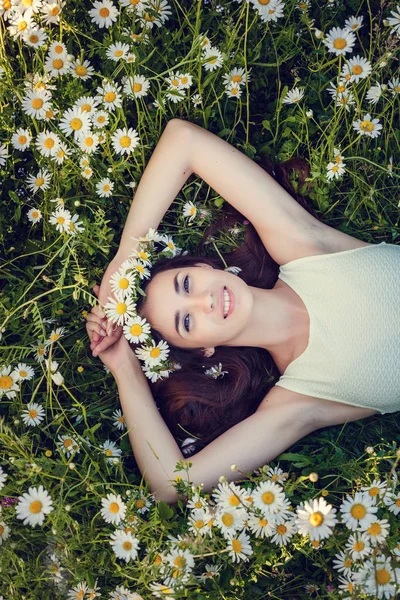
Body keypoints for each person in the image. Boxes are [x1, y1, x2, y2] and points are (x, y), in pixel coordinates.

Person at [85, 118, 400, 506]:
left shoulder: (303, 247)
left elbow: (183, 140)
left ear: (204, 268)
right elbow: (172, 485)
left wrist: (126, 256)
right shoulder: (298, 401)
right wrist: (125, 367)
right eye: (188, 321)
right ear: (204, 350)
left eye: (187, 284)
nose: (206, 301)